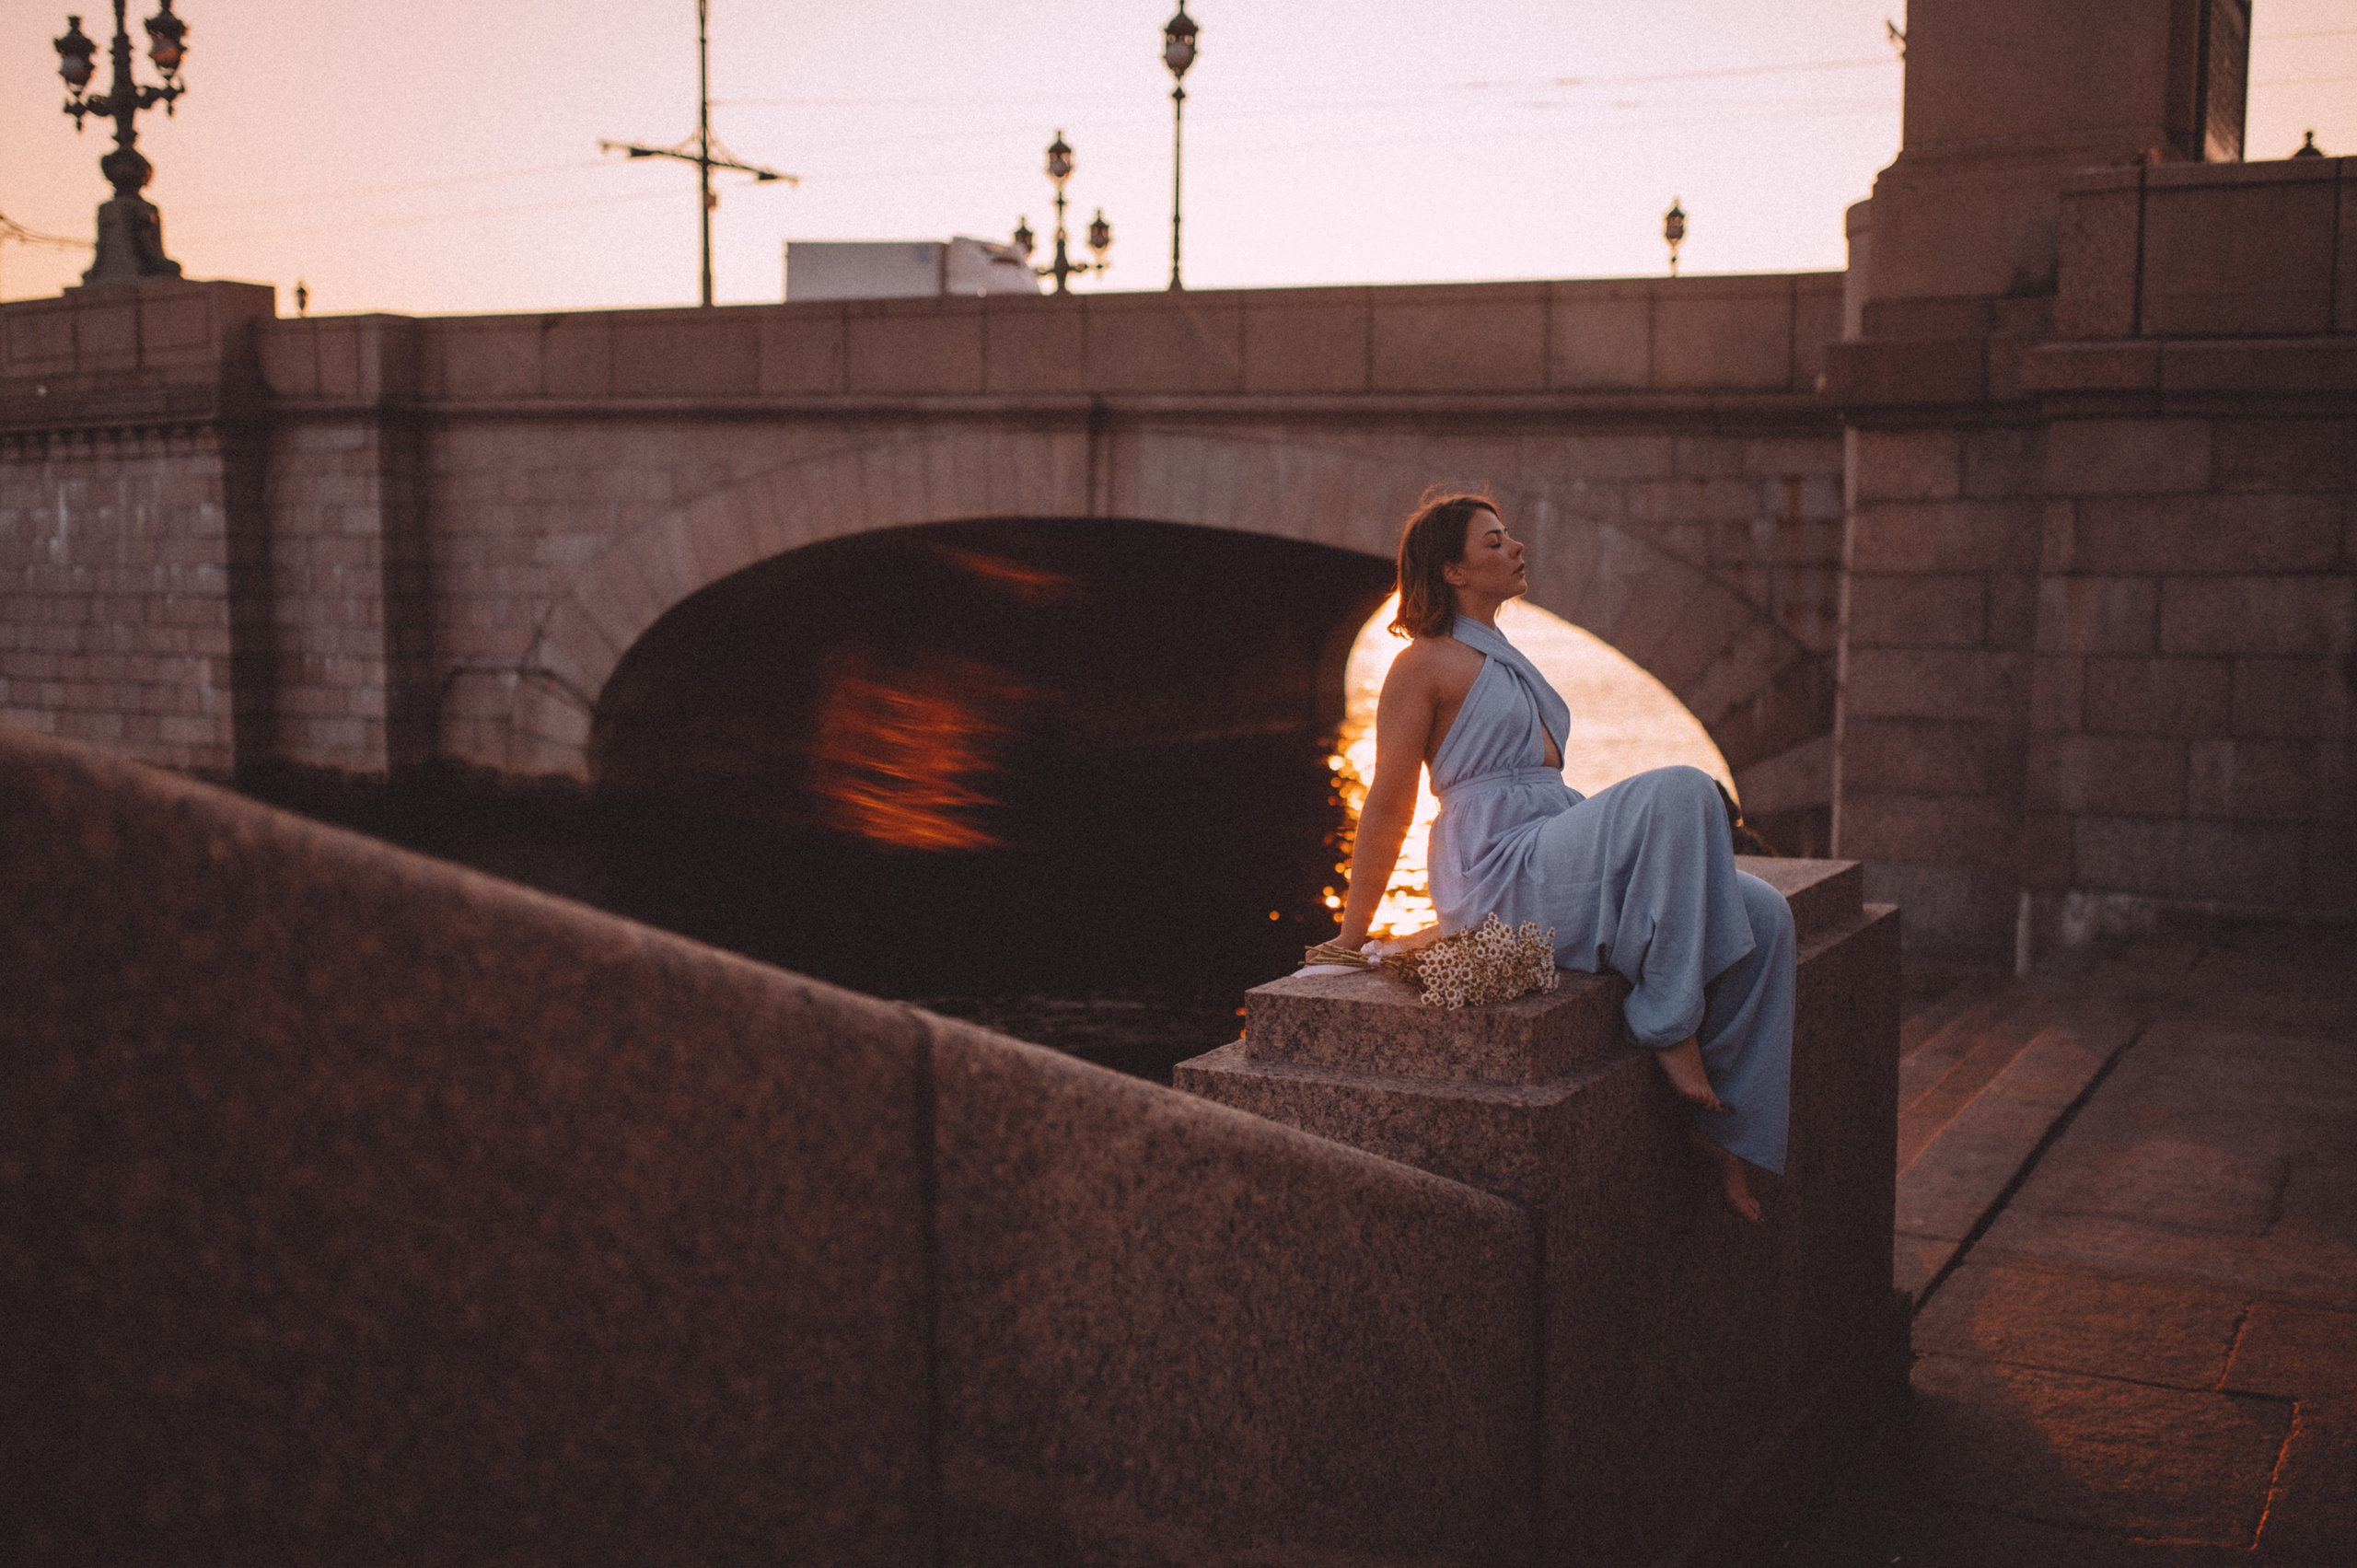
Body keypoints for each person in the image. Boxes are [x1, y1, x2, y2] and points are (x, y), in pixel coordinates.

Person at [1334, 492, 1794, 1221]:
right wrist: (1353, 932)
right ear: (1452, 569)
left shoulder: (1505, 657)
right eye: (1493, 542)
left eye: (1509, 536)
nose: (1515, 548)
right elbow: (1389, 802)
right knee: (1685, 789)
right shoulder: (1421, 665)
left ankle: (1723, 1128)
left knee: (1765, 914)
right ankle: (1668, 1023)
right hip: (1500, 872)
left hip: (1554, 845)